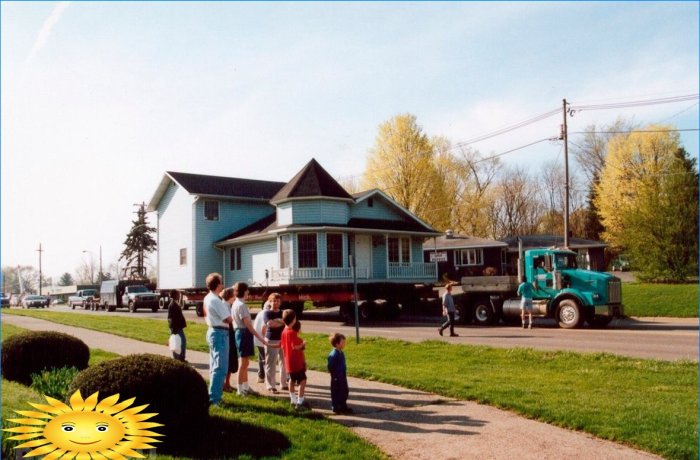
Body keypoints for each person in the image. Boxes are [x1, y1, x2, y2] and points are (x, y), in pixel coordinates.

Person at [231, 282, 268, 396]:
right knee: (243, 363)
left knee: (246, 363)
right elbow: (248, 324)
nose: (248, 292)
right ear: (243, 291)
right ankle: (239, 389)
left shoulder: (237, 303)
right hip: (243, 333)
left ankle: (245, 386)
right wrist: (260, 337)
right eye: (247, 290)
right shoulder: (241, 305)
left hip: (240, 332)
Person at [203, 273, 232, 406]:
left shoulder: (208, 298)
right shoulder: (215, 300)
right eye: (221, 282)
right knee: (220, 367)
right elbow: (228, 319)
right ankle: (215, 399)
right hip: (220, 333)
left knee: (215, 366)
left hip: (213, 331)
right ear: (217, 284)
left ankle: (213, 395)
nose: (222, 284)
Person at [281, 309, 308, 409]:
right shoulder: (291, 333)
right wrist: (303, 344)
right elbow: (295, 346)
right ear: (293, 320)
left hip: (288, 361)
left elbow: (283, 345)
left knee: (291, 380)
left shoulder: (284, 331)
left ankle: (293, 399)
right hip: (296, 361)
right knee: (303, 380)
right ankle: (300, 401)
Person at [262, 293, 288, 393]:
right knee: (271, 363)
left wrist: (278, 321)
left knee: (284, 363)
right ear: (270, 301)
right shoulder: (267, 313)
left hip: (283, 340)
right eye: (273, 300)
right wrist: (281, 322)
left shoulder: (283, 312)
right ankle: (270, 386)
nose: (276, 302)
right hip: (271, 340)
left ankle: (284, 383)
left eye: (278, 301)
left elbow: (288, 323)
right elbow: (270, 324)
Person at [327, 332, 352, 414]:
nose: (344, 343)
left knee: (344, 391)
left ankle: (343, 406)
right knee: (336, 392)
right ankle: (336, 407)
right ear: (337, 344)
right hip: (336, 378)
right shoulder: (334, 355)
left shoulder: (341, 353)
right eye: (343, 342)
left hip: (342, 376)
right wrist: (334, 375)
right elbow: (330, 366)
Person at [221, 287, 239, 393]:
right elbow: (227, 320)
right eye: (234, 295)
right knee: (227, 359)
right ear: (230, 296)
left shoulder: (228, 305)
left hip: (230, 333)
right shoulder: (224, 305)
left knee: (231, 359)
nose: (235, 297)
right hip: (226, 333)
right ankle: (224, 383)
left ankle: (227, 383)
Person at [167, 289, 187, 362]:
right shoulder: (172, 305)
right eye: (178, 294)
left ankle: (181, 358)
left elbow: (180, 305)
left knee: (182, 342)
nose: (179, 295)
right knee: (177, 343)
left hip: (178, 327)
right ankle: (178, 359)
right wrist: (173, 329)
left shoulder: (175, 303)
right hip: (176, 328)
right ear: (174, 295)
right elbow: (170, 318)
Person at [253, 301, 269, 384]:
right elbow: (264, 328)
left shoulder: (260, 313)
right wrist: (265, 340)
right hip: (263, 339)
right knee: (266, 359)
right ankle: (267, 377)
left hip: (258, 339)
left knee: (261, 357)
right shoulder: (266, 314)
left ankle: (261, 376)